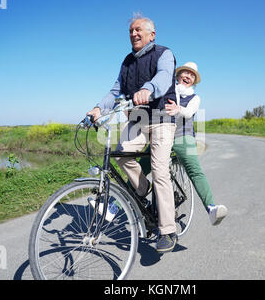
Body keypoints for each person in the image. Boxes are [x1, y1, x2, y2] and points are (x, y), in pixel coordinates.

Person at [86, 14, 179, 254]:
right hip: (137, 119)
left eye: (138, 30)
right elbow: (115, 90)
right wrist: (98, 107)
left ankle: (168, 230)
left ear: (151, 34)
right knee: (120, 155)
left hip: (161, 118)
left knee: (160, 170)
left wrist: (148, 89)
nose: (134, 34)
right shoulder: (127, 61)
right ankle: (142, 188)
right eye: (131, 31)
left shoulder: (164, 54)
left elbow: (164, 77)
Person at [137, 62, 228, 225]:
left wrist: (178, 109)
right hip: (162, 135)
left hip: (182, 137)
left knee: (194, 170)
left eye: (192, 75)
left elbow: (188, 112)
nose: (188, 76)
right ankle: (113, 207)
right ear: (178, 76)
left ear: (194, 81)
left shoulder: (194, 98)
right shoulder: (166, 91)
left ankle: (211, 209)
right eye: (185, 73)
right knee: (140, 167)